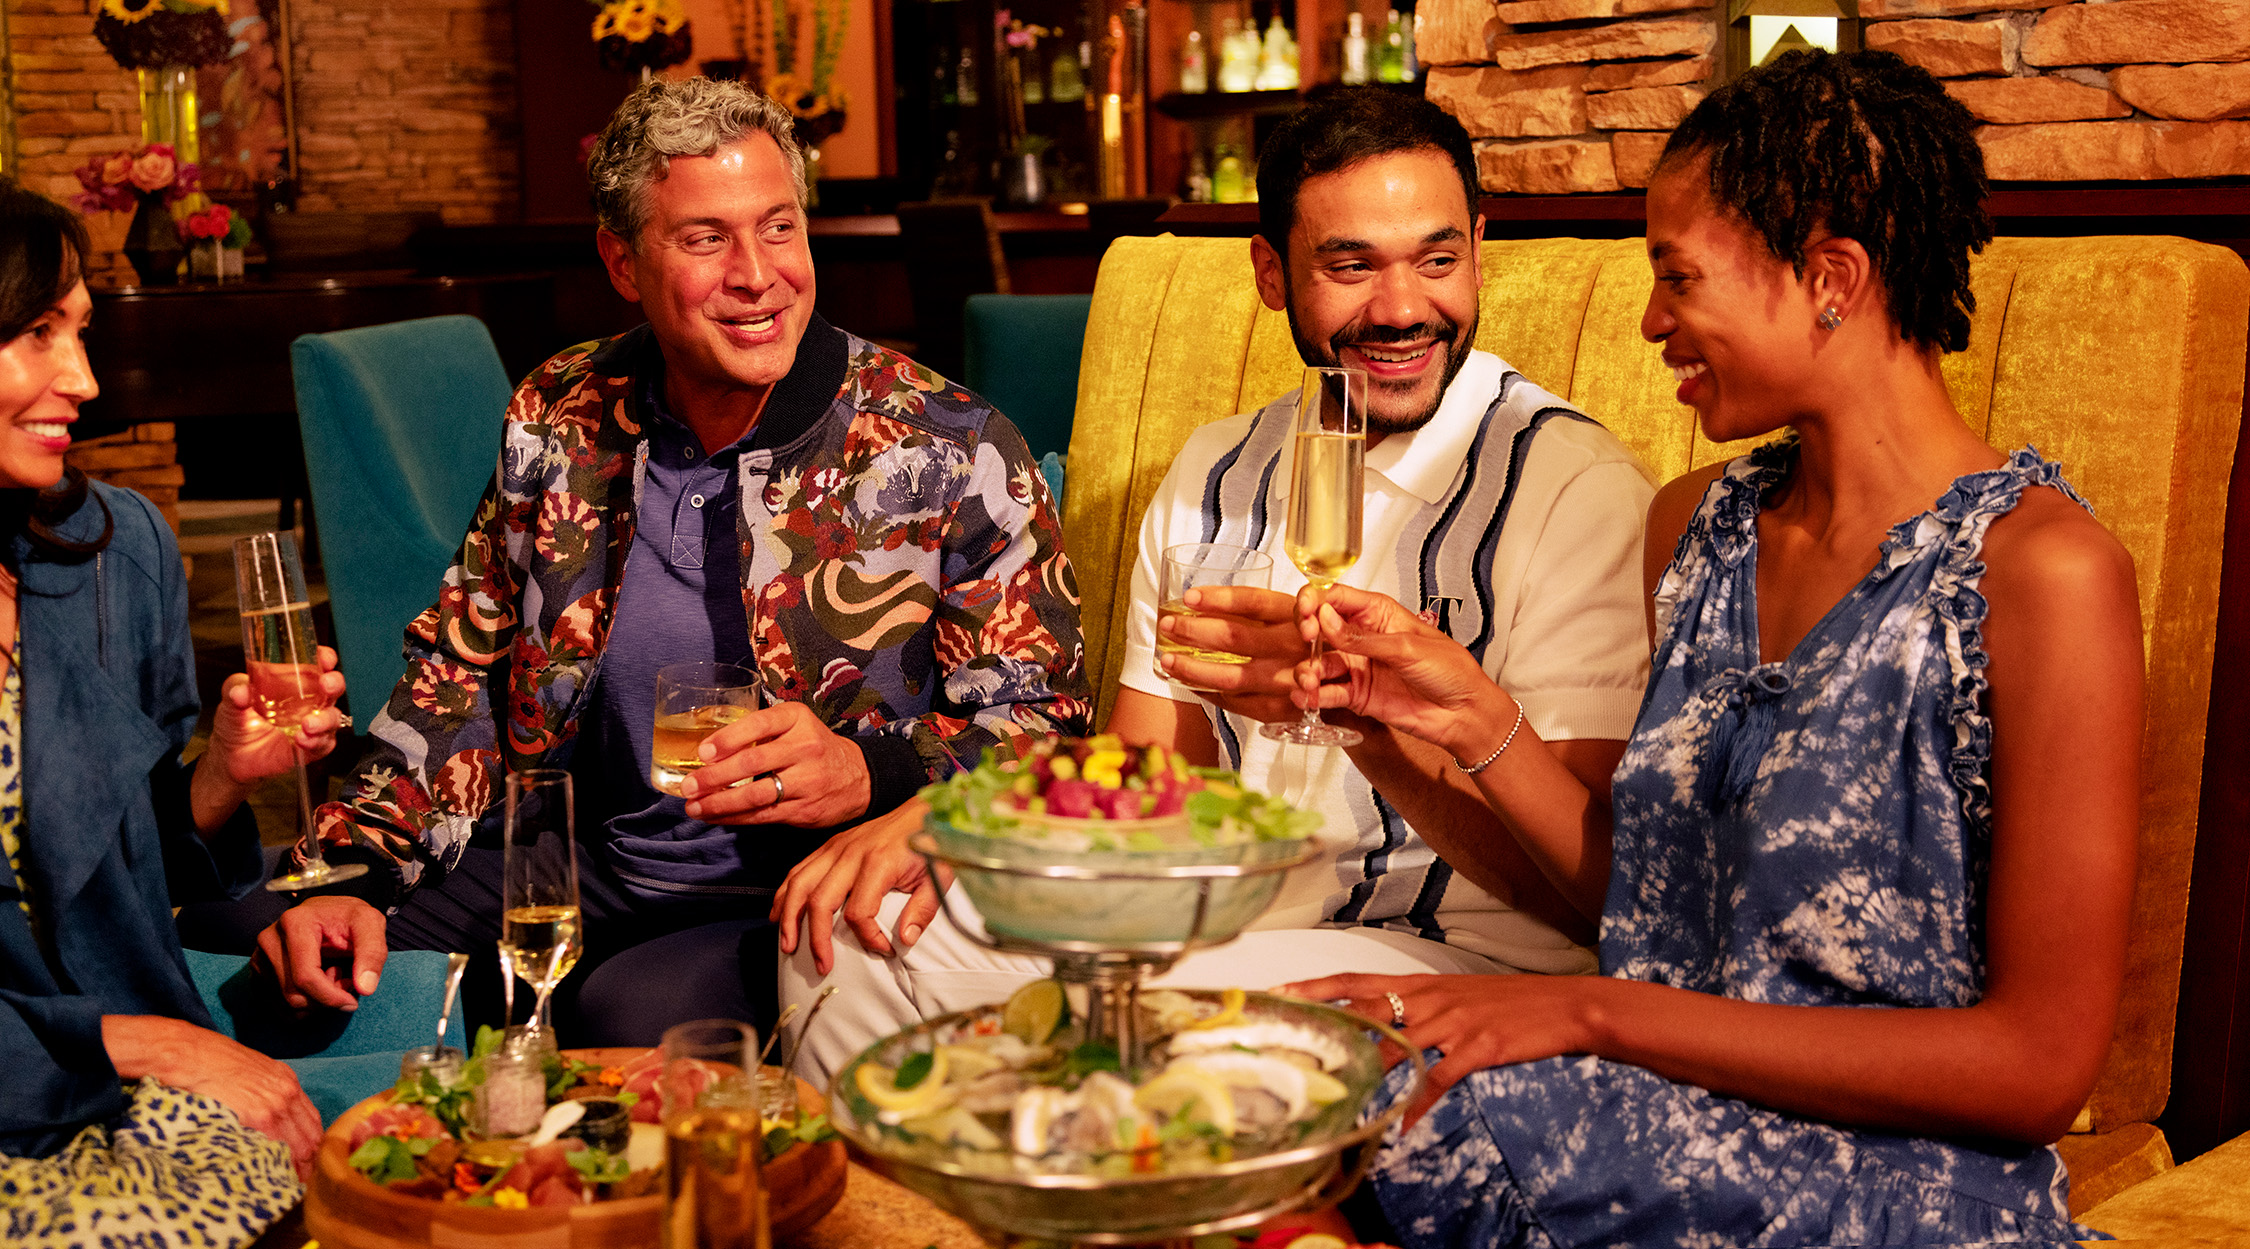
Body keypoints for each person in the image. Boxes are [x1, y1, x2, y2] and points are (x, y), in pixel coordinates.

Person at [1283, 50, 2137, 1245]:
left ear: (1831, 276)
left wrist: (1594, 1017)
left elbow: (2037, 1065)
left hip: (1907, 1176)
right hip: (1655, 1114)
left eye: (1677, 276)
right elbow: (1645, 900)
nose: (1650, 322)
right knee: (1287, 1069)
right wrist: (1425, 717)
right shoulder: (1695, 527)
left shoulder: (2042, 576)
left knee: (1397, 1113)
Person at [776, 88, 1656, 1084]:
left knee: (1132, 1032)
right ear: (1273, 273)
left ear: (1478, 251)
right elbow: (1150, 781)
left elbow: (1592, 894)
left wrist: (1386, 728)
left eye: (1437, 258)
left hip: (1445, 952)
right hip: (1211, 914)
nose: (1404, 306)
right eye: (1351, 264)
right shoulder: (1215, 472)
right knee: (847, 933)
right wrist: (967, 822)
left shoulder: (1568, 486)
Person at [209, 78, 1091, 1042]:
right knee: (262, 959)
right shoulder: (563, 410)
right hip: (572, 860)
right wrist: (359, 874)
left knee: (635, 1017)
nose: (758, 274)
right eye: (706, 239)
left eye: (780, 227)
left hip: (795, 890)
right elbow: (456, 675)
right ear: (622, 261)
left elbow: (1051, 725)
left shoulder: (948, 442)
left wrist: (869, 768)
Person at [0, 178, 341, 1244]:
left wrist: (222, 777)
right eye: (34, 334)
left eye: (83, 333)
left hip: (109, 1086)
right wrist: (139, 1043)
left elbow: (117, 867)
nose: (84, 380)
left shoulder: (111, 554)